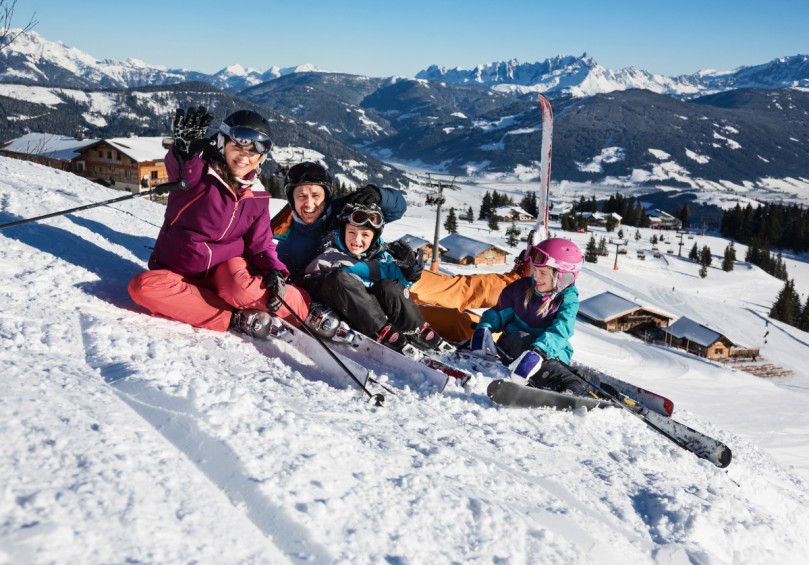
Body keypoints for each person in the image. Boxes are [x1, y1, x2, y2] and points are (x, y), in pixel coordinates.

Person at [128, 106, 309, 338]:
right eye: (238, 147)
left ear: (261, 158)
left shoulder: (258, 196)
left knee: (240, 288)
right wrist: (183, 152)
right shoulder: (199, 175)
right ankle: (233, 316)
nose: (245, 156)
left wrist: (274, 270)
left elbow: (261, 245)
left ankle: (304, 310)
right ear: (222, 144)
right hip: (178, 272)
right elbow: (182, 167)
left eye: (253, 152)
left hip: (225, 272)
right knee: (142, 287)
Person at [300, 202, 450, 357]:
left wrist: (410, 270)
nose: (357, 240)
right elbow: (309, 282)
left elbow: (400, 286)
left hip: (380, 312)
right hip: (353, 313)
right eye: (351, 232)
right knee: (340, 279)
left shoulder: (382, 258)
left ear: (374, 237)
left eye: (365, 235)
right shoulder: (330, 256)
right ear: (343, 231)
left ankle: (416, 330)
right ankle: (382, 333)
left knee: (389, 287)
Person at [470, 238, 590, 395]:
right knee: (516, 338)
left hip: (549, 352)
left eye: (543, 273)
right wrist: (485, 327)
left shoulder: (567, 300)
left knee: (551, 366)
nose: (536, 277)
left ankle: (573, 386)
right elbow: (500, 312)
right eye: (535, 270)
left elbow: (561, 330)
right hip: (513, 346)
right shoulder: (521, 288)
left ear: (563, 277)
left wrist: (539, 352)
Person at [271, 161, 407, 282]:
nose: (309, 203)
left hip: (365, 284)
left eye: (316, 195)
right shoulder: (284, 238)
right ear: (291, 200)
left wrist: (379, 196)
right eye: (301, 196)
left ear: (326, 197)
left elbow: (397, 209)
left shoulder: (343, 211)